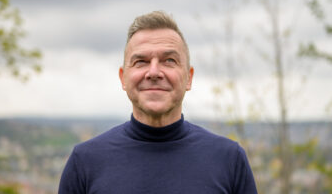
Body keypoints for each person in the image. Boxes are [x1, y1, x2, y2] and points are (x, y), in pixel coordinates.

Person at [58, 11, 258, 194]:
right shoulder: (85, 162)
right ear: (123, 78)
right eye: (141, 61)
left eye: (169, 60)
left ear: (188, 78)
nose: (154, 72)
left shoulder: (229, 159)